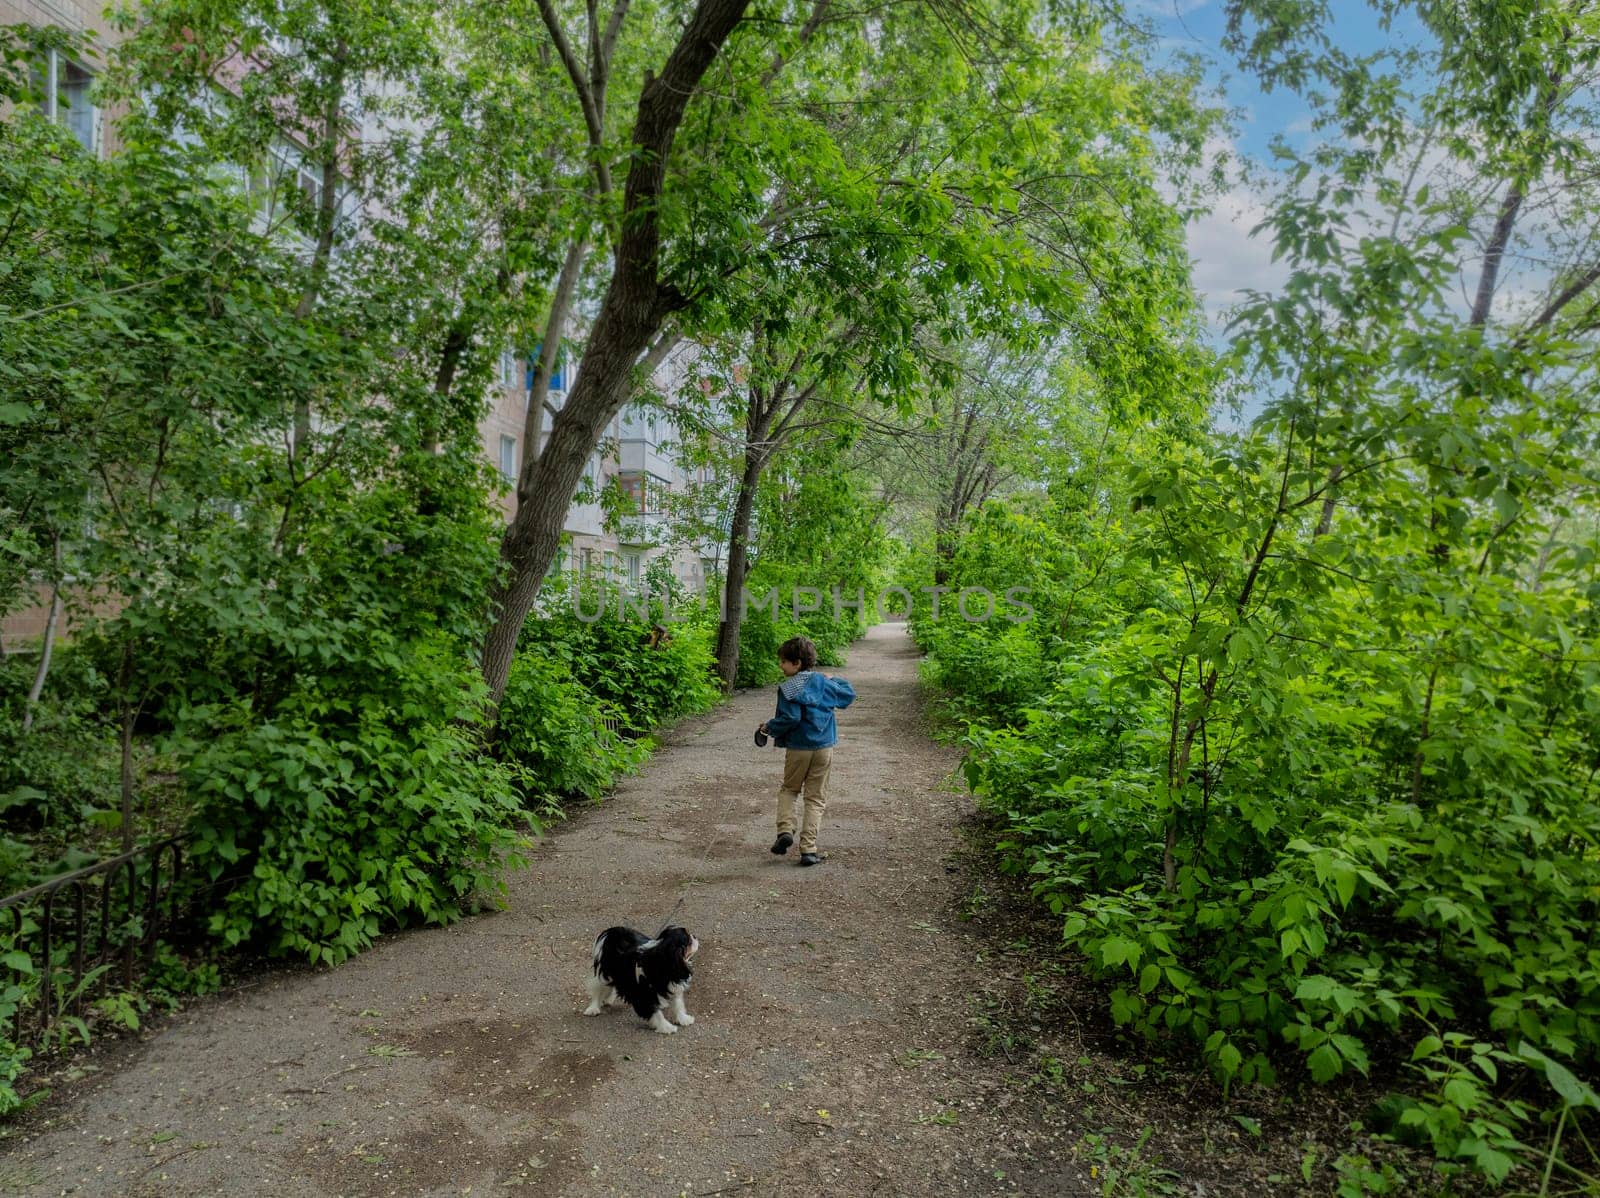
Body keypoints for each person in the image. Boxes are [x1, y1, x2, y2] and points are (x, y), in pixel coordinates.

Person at [757, 635, 855, 867]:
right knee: (816, 798)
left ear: (797, 663)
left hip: (799, 748)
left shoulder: (788, 688)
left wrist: (769, 727)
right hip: (823, 748)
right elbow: (848, 695)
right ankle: (809, 850)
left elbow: (790, 717)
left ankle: (785, 831)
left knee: (790, 790)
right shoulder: (824, 683)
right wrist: (834, 678)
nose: (780, 665)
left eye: (783, 661)